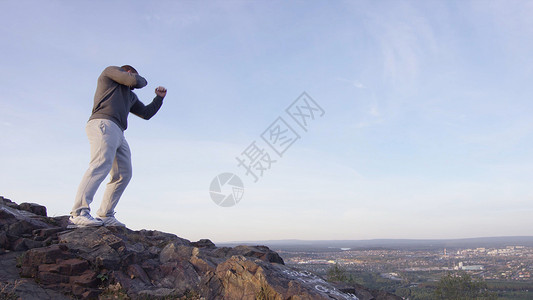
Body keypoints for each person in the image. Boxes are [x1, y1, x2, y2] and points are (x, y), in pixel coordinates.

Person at [69, 65, 167, 227]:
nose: (133, 83)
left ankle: (105, 214)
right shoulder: (110, 73)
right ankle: (78, 213)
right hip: (103, 123)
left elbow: (146, 113)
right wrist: (138, 79)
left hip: (119, 131)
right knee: (100, 164)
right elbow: (135, 80)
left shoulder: (130, 96)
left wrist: (159, 98)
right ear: (127, 73)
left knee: (124, 173)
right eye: (132, 76)